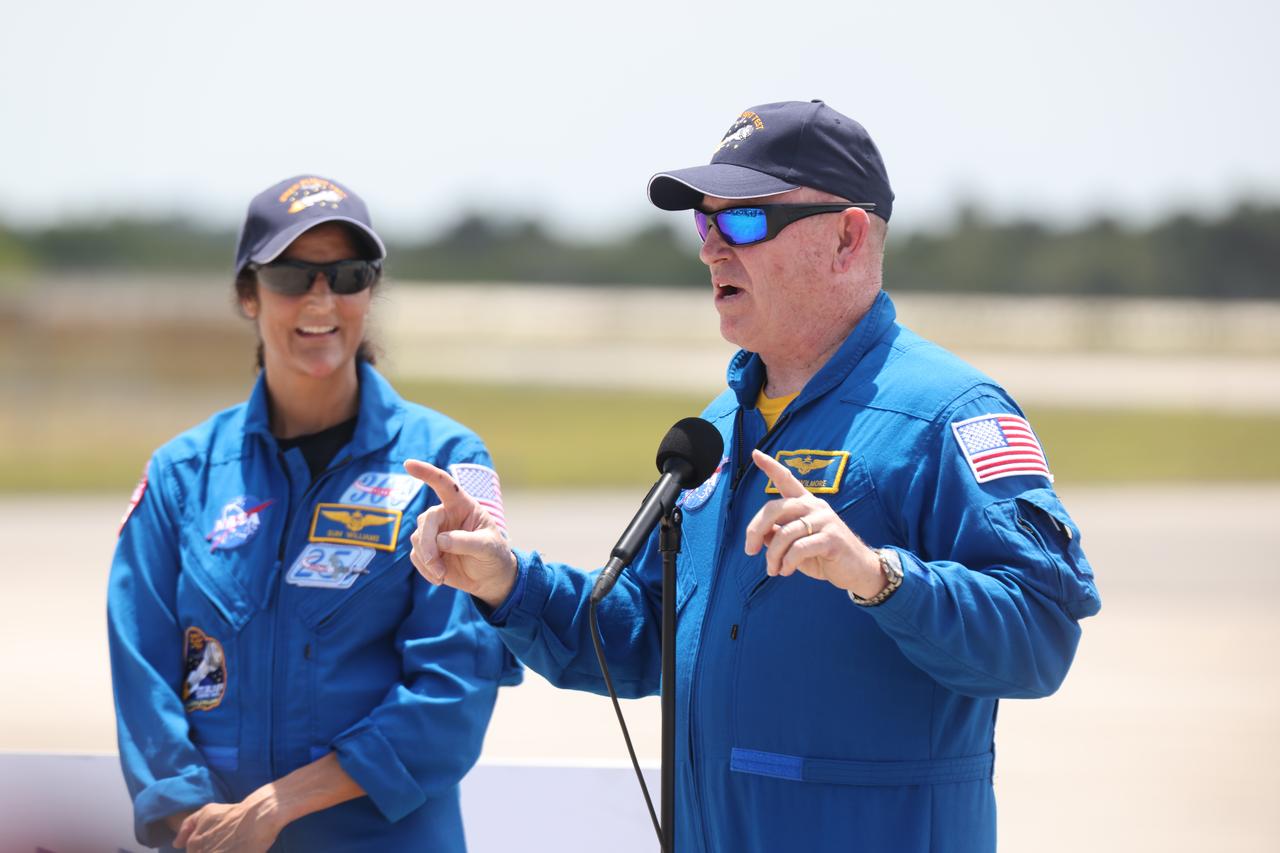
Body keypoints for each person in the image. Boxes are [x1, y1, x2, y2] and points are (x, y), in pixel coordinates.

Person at [407, 100, 1102, 852]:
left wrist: (877, 576)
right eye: (705, 224)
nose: (712, 251)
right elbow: (640, 637)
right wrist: (505, 580)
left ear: (847, 236)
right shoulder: (713, 432)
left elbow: (1039, 637)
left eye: (743, 222)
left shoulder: (950, 416)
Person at [107, 174, 521, 852]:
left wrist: (277, 805)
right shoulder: (180, 475)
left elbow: (456, 686)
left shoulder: (446, 464)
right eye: (294, 274)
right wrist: (196, 821)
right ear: (248, 292)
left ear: (371, 291)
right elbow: (142, 668)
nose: (321, 299)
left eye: (347, 274)